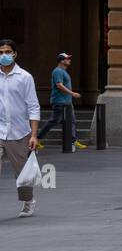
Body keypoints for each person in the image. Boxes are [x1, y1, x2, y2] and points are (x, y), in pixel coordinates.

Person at [0, 38, 40, 217]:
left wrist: (33, 135)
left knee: (22, 173)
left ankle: (28, 201)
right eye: (1, 52)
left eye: (7, 52)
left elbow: (33, 107)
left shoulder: (25, 77)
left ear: (15, 54)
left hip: (19, 133)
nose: (4, 55)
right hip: (0, 130)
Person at [36, 52, 86, 150]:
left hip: (67, 102)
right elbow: (59, 85)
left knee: (71, 121)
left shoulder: (63, 71)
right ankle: (37, 139)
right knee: (54, 121)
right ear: (62, 61)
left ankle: (73, 141)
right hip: (60, 102)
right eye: (67, 58)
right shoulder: (58, 71)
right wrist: (72, 93)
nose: (69, 60)